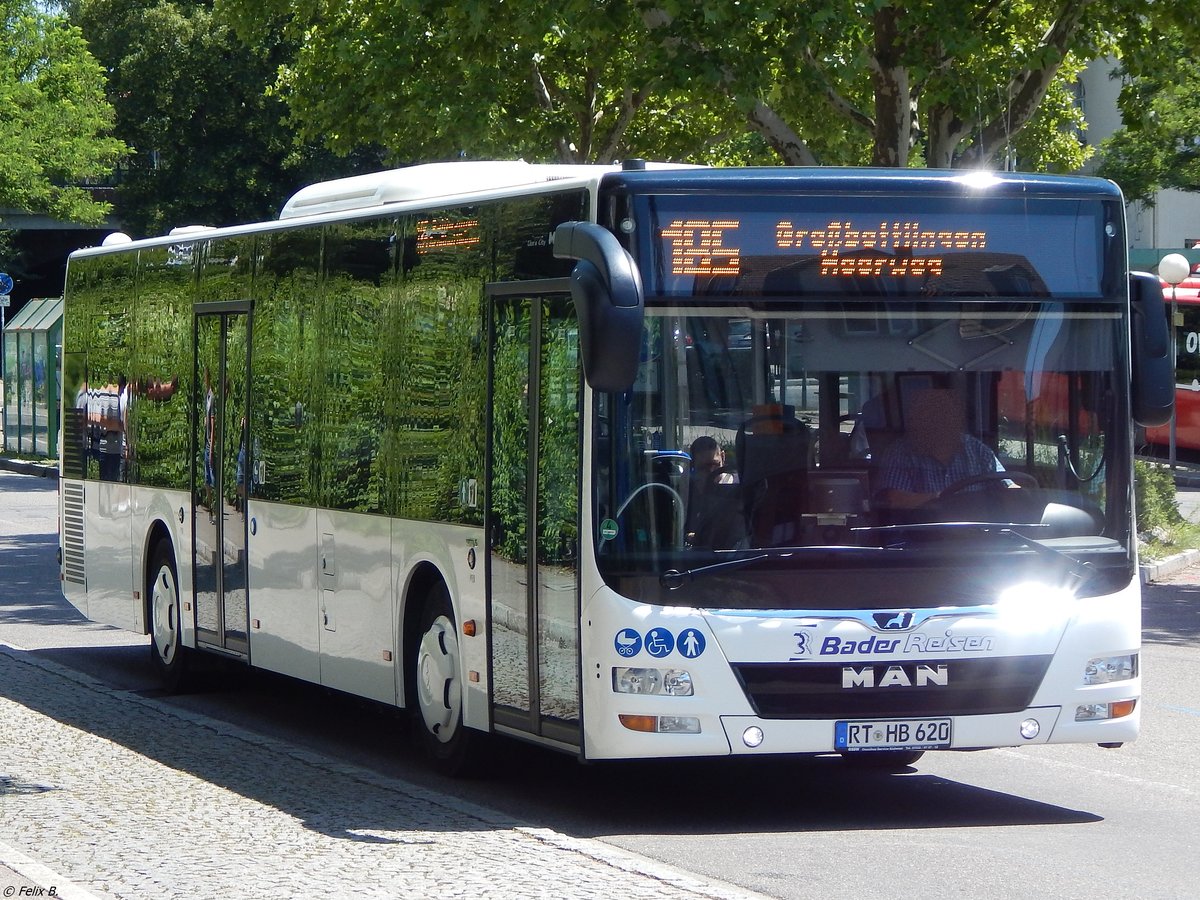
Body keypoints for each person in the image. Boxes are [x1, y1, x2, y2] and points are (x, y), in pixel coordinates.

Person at [876, 387, 1009, 509]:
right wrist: (941, 499)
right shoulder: (900, 453)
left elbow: (1008, 487)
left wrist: (1023, 494)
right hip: (922, 531)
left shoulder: (978, 451)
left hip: (979, 531)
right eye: (931, 415)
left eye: (946, 414)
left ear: (958, 419)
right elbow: (894, 501)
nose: (940, 422)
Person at [685, 436, 745, 549]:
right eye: (703, 468)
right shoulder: (688, 492)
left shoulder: (739, 485)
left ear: (723, 456)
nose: (712, 472)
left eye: (715, 465)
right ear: (693, 465)